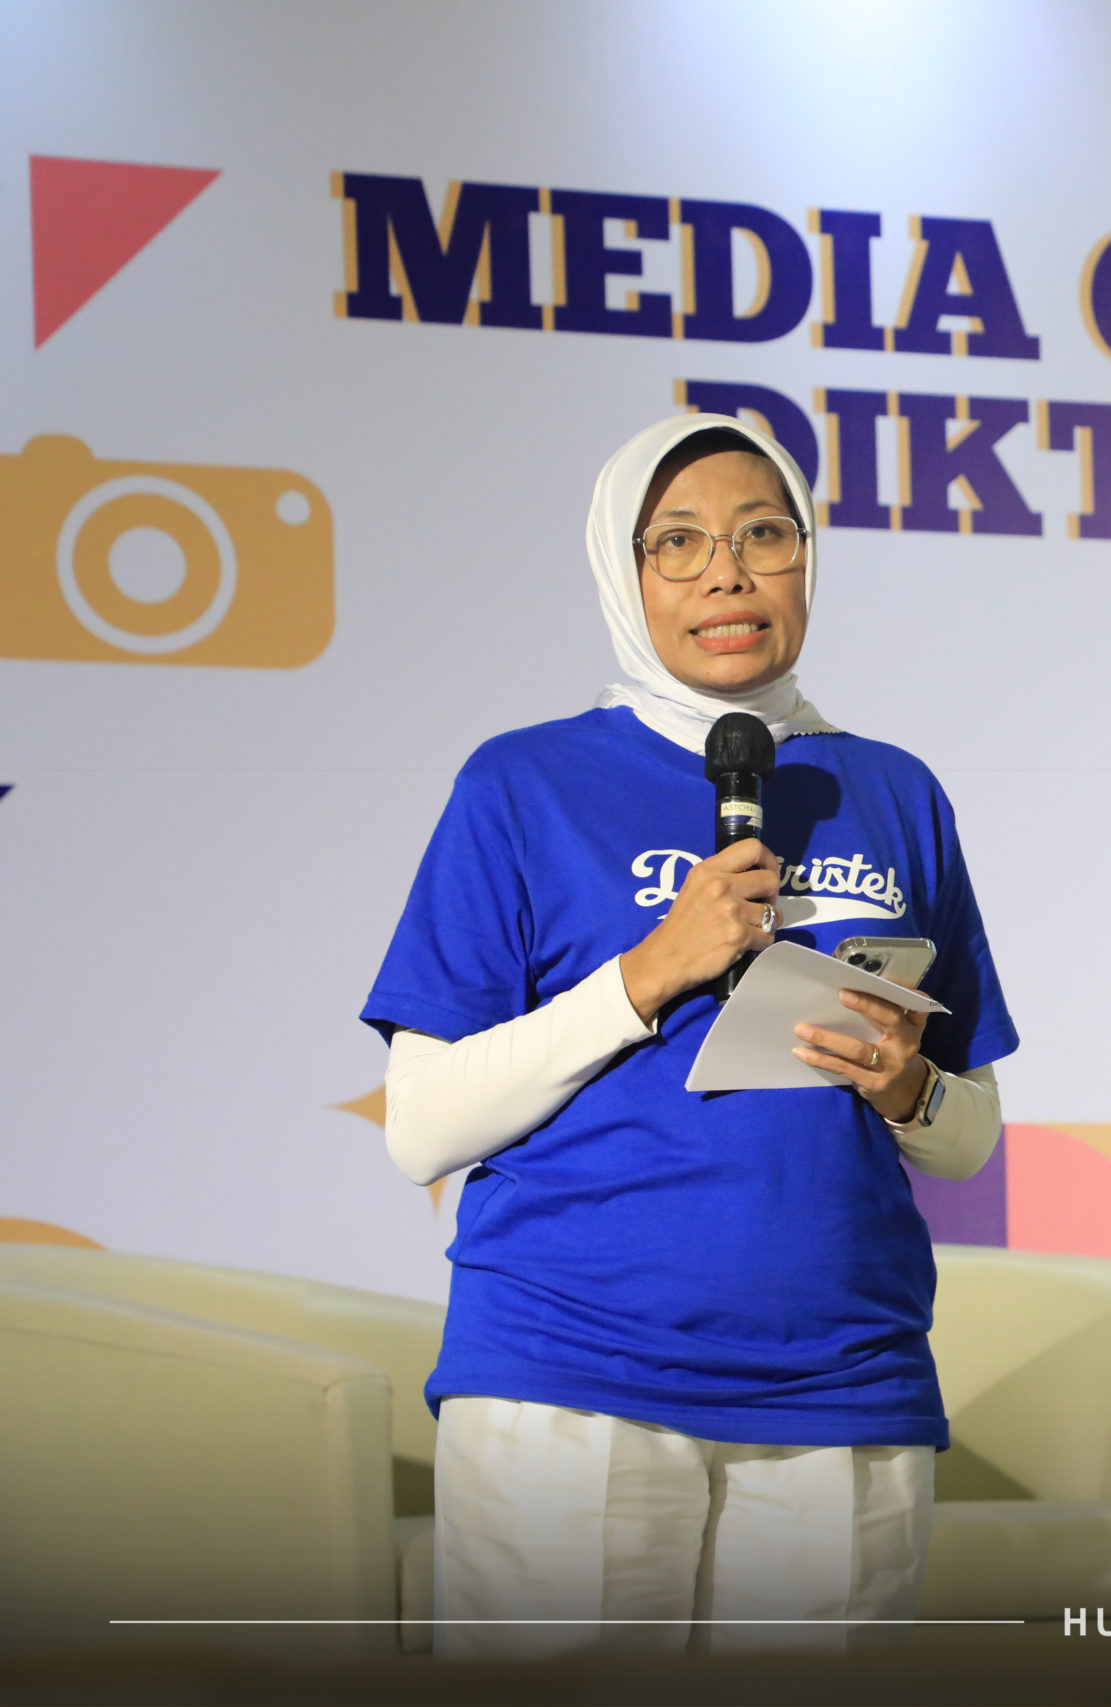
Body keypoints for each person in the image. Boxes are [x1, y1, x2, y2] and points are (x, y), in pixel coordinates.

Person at [361, 414, 1016, 1659]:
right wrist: (648, 972)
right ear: (625, 573)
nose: (726, 573)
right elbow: (421, 1129)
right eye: (678, 543)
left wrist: (906, 1087)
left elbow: (969, 1136)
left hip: (845, 1380)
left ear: (808, 558)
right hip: (570, 1372)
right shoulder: (523, 785)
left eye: (764, 534)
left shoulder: (895, 790)